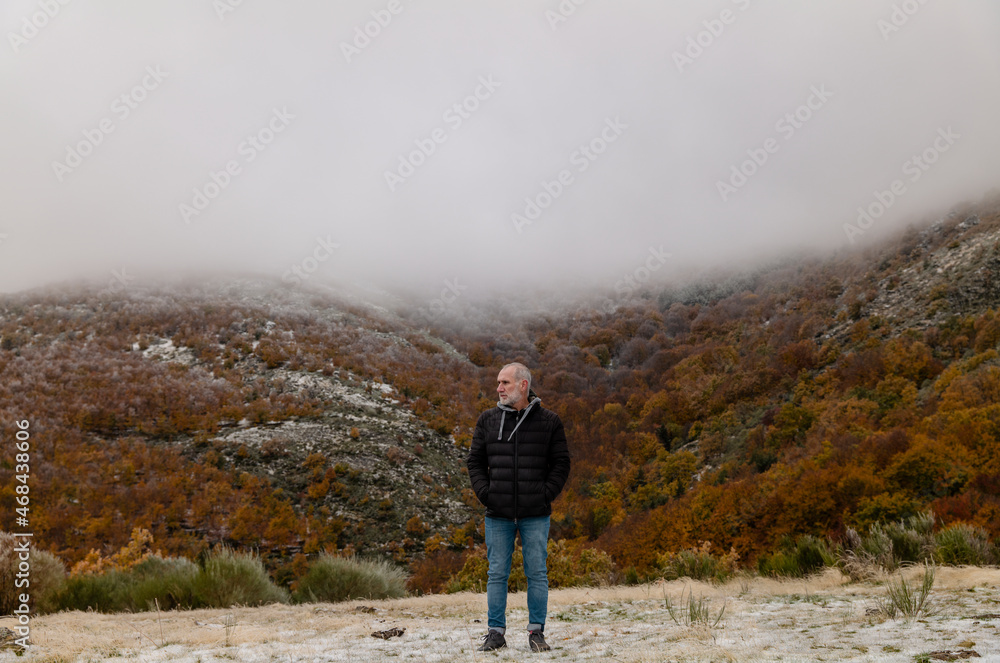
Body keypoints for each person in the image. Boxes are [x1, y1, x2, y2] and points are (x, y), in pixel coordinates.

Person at [466, 362, 571, 652]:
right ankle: (495, 633)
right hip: (497, 513)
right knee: (496, 573)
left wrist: (544, 494)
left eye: (505, 383)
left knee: (536, 572)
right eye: (498, 383)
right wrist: (487, 494)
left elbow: (561, 464)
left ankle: (536, 633)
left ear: (523, 385)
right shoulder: (487, 420)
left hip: (535, 513)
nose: (499, 388)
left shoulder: (549, 421)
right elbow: (474, 462)